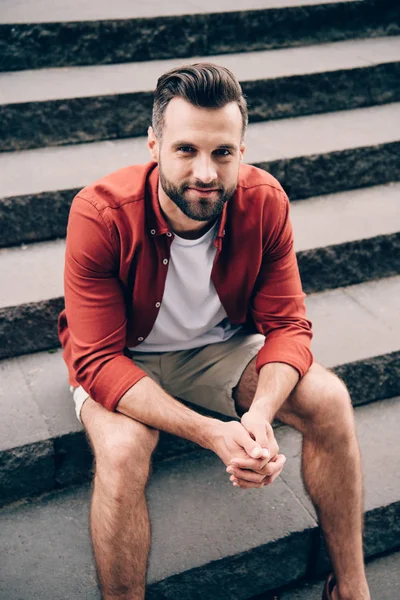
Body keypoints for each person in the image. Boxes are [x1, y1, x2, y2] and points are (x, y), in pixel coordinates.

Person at [58, 63, 370, 600]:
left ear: (241, 151)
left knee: (330, 399)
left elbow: (288, 326)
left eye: (222, 152)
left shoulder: (265, 201)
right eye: (186, 150)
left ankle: (352, 588)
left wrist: (259, 415)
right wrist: (210, 433)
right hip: (122, 357)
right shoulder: (100, 213)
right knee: (126, 448)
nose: (205, 172)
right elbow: (97, 360)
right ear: (153, 145)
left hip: (216, 350)